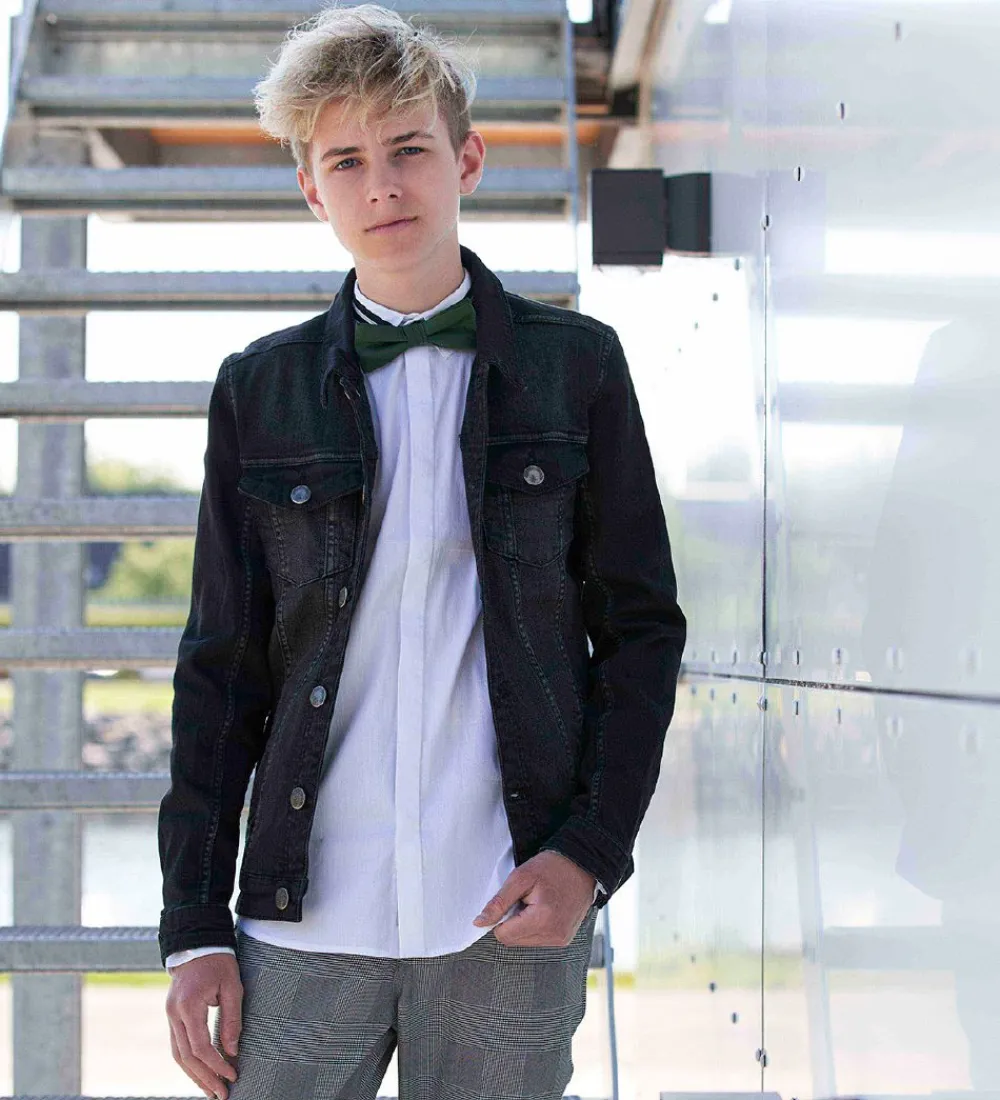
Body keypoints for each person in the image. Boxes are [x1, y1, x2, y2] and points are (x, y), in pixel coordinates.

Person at [157, 4, 686, 1098]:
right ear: (313, 190)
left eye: (408, 149)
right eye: (346, 161)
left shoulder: (578, 367)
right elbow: (220, 669)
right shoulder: (258, 388)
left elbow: (640, 632)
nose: (382, 186)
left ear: (467, 160)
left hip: (508, 904)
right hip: (304, 918)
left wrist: (590, 853)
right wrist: (193, 923)